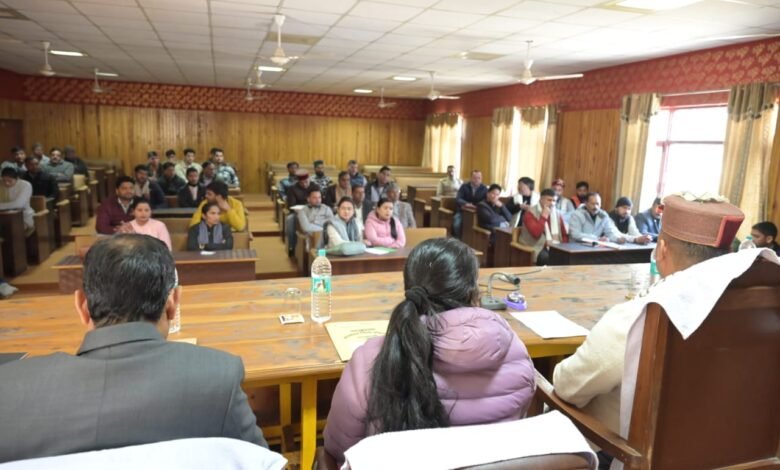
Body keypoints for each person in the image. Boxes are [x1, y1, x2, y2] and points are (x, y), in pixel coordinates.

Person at [0, 235, 267, 462]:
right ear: (172, 304)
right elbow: (260, 462)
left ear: (82, 306)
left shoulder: (9, 388)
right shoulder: (218, 376)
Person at [323, 238, 536, 466]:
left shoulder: (370, 360)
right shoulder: (514, 351)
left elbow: (341, 450)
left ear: (409, 288)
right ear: (473, 292)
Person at [552, 194, 745, 440]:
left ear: (661, 250)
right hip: (719, 447)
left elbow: (567, 387)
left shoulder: (637, 317)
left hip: (623, 450)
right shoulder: (752, 315)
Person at [519, 188, 569, 265]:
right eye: (549, 200)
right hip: (536, 247)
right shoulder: (530, 213)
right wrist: (544, 216)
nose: (552, 203)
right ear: (541, 200)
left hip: (556, 246)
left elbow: (564, 235)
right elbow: (536, 233)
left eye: (554, 201)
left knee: (569, 257)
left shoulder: (557, 214)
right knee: (548, 258)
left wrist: (563, 248)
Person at [454, 170, 488, 239]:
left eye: (479, 178)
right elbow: (458, 198)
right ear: (471, 178)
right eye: (475, 178)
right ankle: (457, 240)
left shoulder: (484, 188)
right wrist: (466, 204)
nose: (477, 180)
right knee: (456, 224)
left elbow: (485, 201)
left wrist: (477, 206)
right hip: (463, 211)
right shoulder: (464, 186)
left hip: (477, 212)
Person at [0, 168, 34, 233]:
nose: (6, 183)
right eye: (4, 180)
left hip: (23, 216)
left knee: (12, 231)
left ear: (17, 178)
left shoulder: (25, 185)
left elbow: (18, 204)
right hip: (2, 216)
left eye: (9, 181)